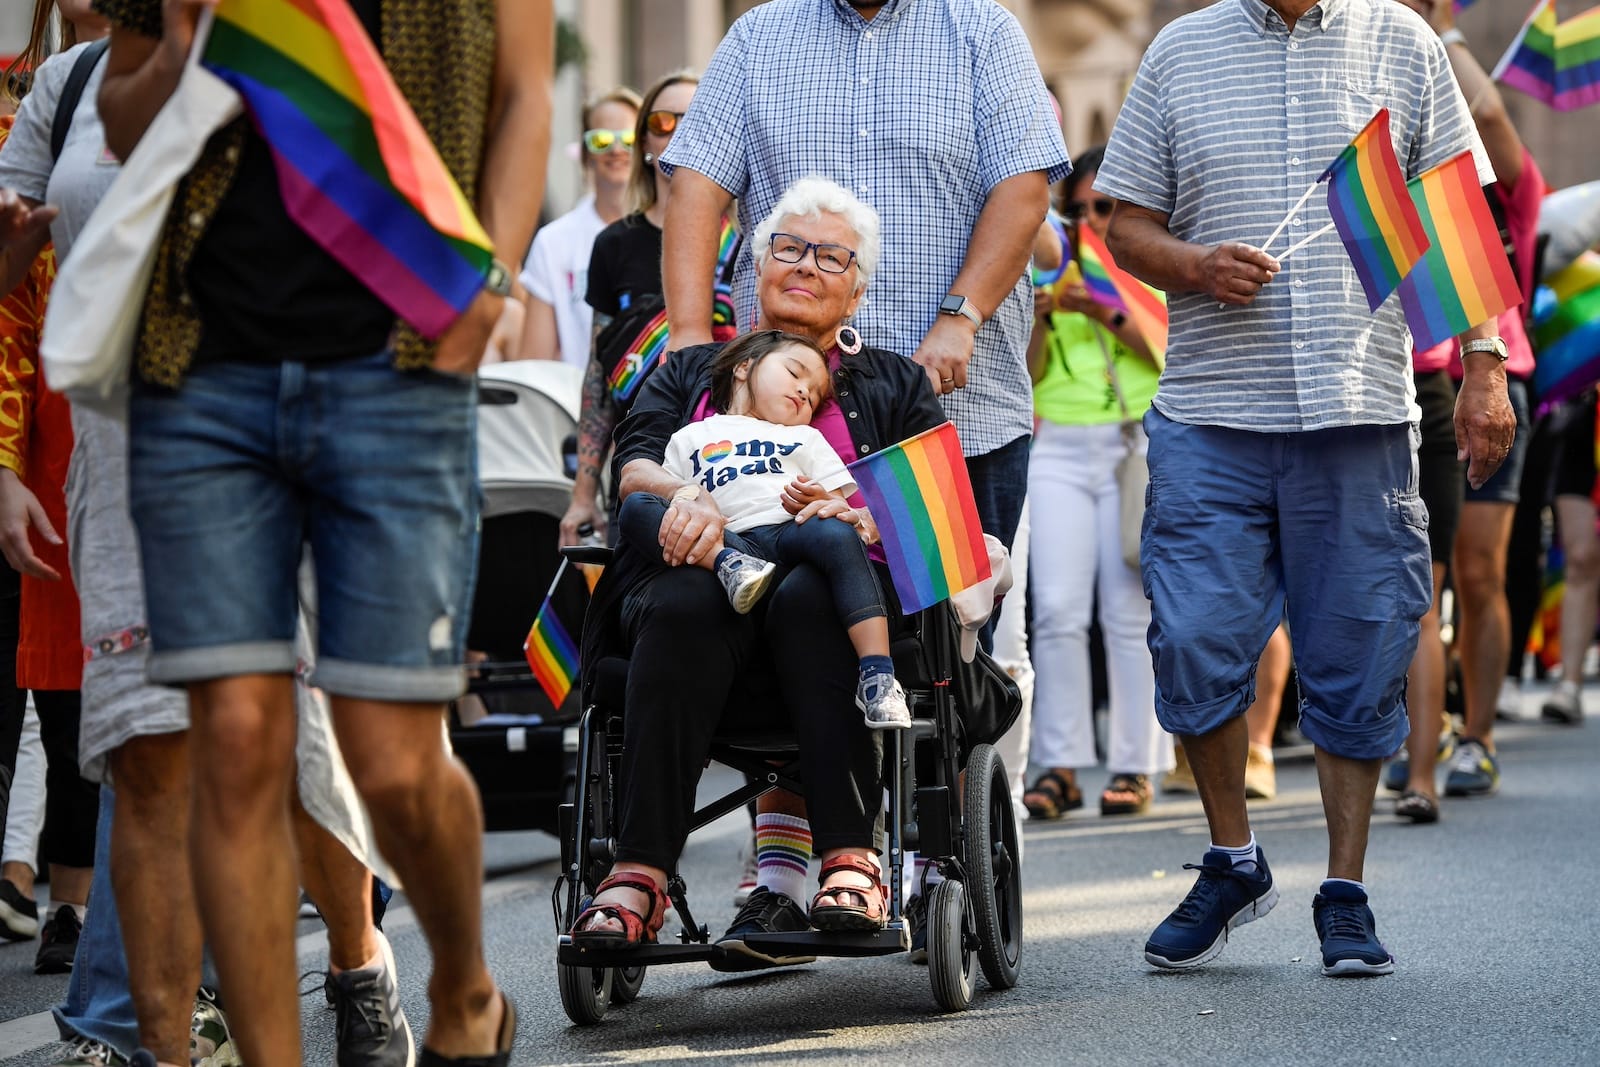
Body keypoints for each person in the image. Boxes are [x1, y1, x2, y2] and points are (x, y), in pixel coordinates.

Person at [93, 0, 552, 1063]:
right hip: (199, 365)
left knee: (391, 761)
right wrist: (183, 45)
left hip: (402, 356)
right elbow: (122, 115)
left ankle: (465, 989)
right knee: (236, 744)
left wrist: (490, 280)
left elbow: (525, 92)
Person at [1, 9, 407, 1064]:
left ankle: (358, 964)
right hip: (120, 458)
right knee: (149, 759)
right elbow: (10, 272)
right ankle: (167, 1045)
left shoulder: (299, 45)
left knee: (283, 743)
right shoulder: (70, 83)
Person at [1096, 0, 1513, 977]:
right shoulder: (1180, 49)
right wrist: (1193, 264)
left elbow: (1454, 217)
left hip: (1359, 411)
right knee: (1192, 636)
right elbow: (1126, 226)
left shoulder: (1403, 41)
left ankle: (1345, 889)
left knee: (1359, 651)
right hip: (1210, 415)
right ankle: (1232, 859)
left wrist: (1485, 364)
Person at [568, 178, 945, 969]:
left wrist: (856, 515)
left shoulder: (894, 385)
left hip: (830, 605)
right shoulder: (688, 371)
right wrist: (687, 497)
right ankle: (637, 874)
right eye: (789, 247)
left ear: (858, 291)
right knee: (683, 596)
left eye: (831, 256)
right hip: (696, 587)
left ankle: (850, 856)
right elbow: (634, 468)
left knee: (809, 592)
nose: (805, 264)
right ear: (757, 266)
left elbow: (927, 521)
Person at [657, 0, 1070, 563]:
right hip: (770, 429)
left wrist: (961, 317)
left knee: (950, 605)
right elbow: (696, 186)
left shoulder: (985, 30)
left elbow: (1023, 191)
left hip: (958, 409)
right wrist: (688, 332)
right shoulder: (758, 35)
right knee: (769, 606)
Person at [1394, 0, 1547, 803]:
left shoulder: (1509, 192)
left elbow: (1486, 114)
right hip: (1416, 380)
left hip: (1494, 374)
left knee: (1480, 573)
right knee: (1417, 580)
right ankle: (1421, 730)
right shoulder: (1403, 180)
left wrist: (1434, 27)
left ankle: (1478, 735)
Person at [617, 328, 910, 729]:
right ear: (743, 367)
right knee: (637, 506)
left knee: (838, 533)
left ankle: (878, 675)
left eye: (815, 395)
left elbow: (845, 505)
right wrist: (690, 503)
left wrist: (825, 501)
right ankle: (726, 563)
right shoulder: (689, 437)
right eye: (794, 372)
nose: (805, 391)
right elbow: (672, 501)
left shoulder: (805, 437)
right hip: (727, 539)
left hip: (790, 532)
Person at [1023, 145, 1172, 820]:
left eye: (1104, 207)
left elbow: (1164, 355)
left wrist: (1105, 308)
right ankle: (1059, 764)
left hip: (1130, 443)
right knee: (1055, 610)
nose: (1090, 222)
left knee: (1128, 611)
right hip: (1058, 441)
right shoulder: (1048, 267)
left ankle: (1135, 765)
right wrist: (1043, 314)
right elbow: (1027, 372)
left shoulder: (1151, 265)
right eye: (1076, 209)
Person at [560, 71, 699, 549]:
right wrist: (584, 495)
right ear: (644, 143)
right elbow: (599, 375)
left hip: (728, 468)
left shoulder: (744, 244)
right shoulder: (613, 244)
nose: (677, 132)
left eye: (693, 118)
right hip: (639, 470)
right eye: (662, 122)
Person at [517, 86, 640, 369]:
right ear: (585, 154)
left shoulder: (671, 234)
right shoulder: (553, 242)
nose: (616, 149)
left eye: (629, 139)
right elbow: (534, 363)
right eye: (601, 140)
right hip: (576, 394)